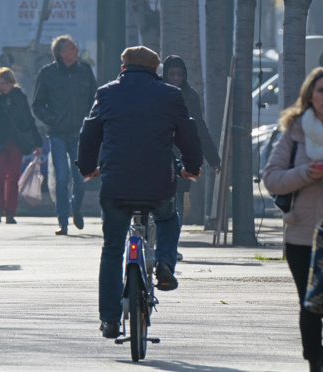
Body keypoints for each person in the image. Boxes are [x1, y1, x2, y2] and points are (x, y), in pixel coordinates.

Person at [77, 46, 203, 339]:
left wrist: (87, 168)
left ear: (123, 68)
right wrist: (191, 167)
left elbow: (89, 133)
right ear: (155, 70)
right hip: (158, 185)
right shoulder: (170, 95)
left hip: (115, 185)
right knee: (168, 219)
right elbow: (188, 134)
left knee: (112, 250)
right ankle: (164, 263)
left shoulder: (106, 93)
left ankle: (109, 319)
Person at [262, 67, 323, 372]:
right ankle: (315, 361)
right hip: (302, 234)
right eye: (321, 90)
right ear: (310, 96)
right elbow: (272, 179)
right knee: (309, 302)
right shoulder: (295, 131)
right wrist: (306, 173)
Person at [32, 34, 97, 235]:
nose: (77, 49)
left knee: (79, 178)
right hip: (58, 134)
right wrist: (52, 119)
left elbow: (95, 100)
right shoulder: (47, 73)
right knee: (61, 178)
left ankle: (75, 207)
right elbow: (37, 104)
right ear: (61, 53)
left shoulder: (85, 70)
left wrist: (90, 122)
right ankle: (63, 221)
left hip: (80, 134)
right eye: (72, 47)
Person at [161, 55, 221, 261]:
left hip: (183, 155)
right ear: (165, 75)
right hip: (159, 153)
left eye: (180, 74)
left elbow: (200, 129)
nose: (176, 78)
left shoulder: (191, 95)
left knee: (177, 202)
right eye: (172, 74)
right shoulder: (157, 91)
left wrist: (213, 159)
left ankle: (171, 246)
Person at [0, 67, 42, 224]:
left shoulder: (19, 97)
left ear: (12, 82)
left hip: (15, 142)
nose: (4, 86)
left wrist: (38, 141)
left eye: (7, 83)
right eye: (0, 83)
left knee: (13, 177)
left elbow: (29, 120)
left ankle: (10, 212)